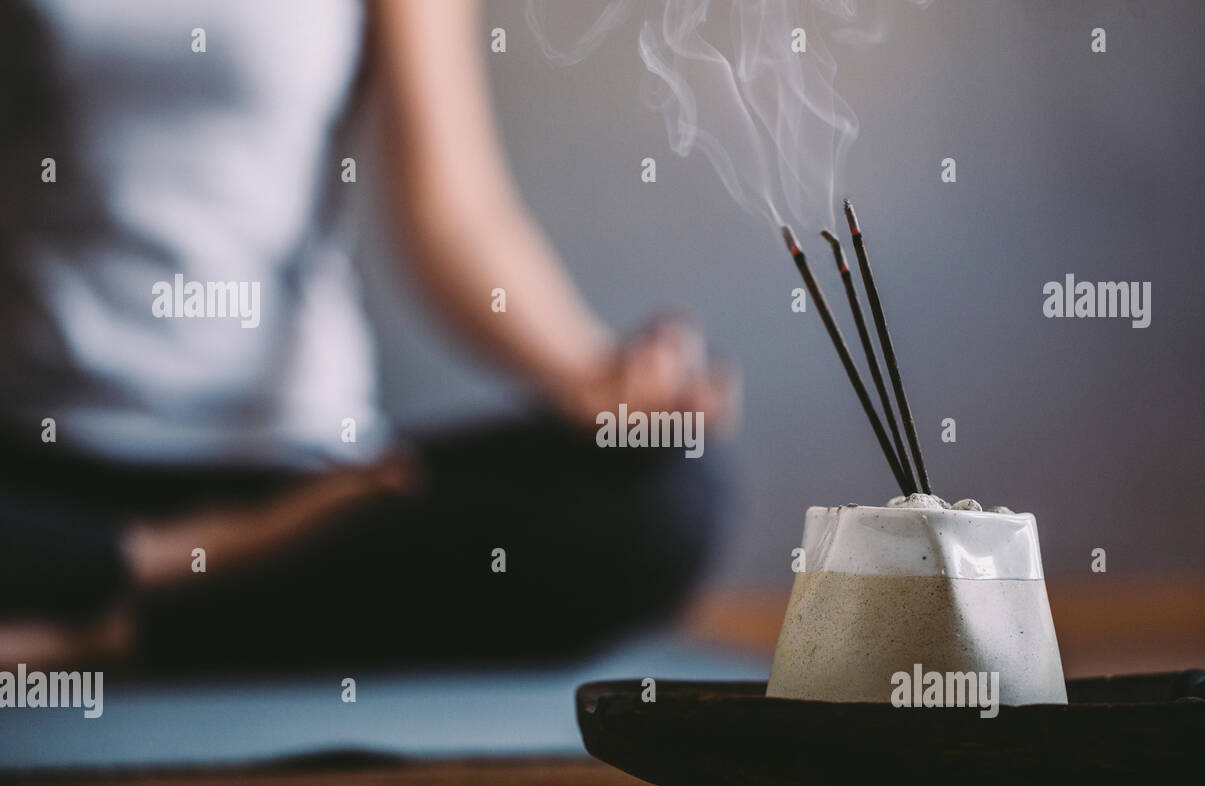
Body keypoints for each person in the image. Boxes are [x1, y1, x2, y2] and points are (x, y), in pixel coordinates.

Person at [0, 0, 737, 672]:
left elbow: (457, 215)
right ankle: (176, 583)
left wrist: (590, 376)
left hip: (305, 493)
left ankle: (106, 633)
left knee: (661, 498)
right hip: (41, 474)